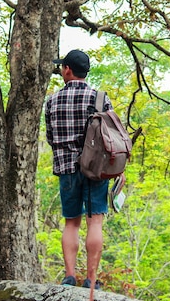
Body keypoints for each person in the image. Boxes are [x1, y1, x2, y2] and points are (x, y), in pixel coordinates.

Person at [45, 49, 112, 290]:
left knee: (71, 223)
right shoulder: (100, 98)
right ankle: (91, 279)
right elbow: (110, 137)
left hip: (66, 168)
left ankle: (70, 276)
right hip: (95, 169)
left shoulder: (52, 101)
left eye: (62, 67)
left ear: (68, 70)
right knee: (95, 222)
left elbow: (50, 138)